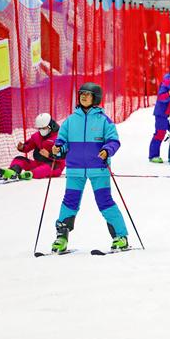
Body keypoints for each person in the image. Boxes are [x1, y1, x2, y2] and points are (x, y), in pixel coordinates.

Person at [49, 83, 128, 253]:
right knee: (69, 202)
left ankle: (120, 237)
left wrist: (107, 151)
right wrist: (58, 148)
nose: (84, 97)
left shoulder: (103, 120)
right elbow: (61, 140)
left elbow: (114, 141)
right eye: (82, 94)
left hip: (98, 169)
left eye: (88, 94)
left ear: (96, 98)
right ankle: (61, 238)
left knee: (105, 202)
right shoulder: (70, 120)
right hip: (75, 170)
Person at [0, 113, 65, 180]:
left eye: (44, 128)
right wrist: (22, 147)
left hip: (55, 166)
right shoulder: (37, 136)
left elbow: (65, 156)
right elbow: (28, 146)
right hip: (38, 163)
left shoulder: (59, 138)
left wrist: (49, 155)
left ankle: (29, 174)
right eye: (40, 128)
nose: (42, 130)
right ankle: (14, 171)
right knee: (19, 159)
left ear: (51, 126)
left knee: (47, 167)